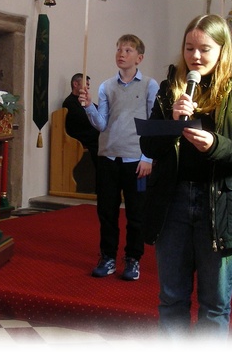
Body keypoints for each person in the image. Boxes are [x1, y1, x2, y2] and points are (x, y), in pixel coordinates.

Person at [140, 14, 232, 337]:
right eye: (189, 48)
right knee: (172, 298)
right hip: (174, 202)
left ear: (223, 50)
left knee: (214, 304)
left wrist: (216, 145)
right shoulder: (171, 87)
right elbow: (149, 145)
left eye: (204, 49)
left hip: (220, 204)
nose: (195, 56)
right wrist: (172, 123)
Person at [80, 35, 158, 281]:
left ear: (139, 58)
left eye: (128, 50)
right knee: (106, 212)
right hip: (108, 158)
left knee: (137, 213)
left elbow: (153, 123)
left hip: (137, 161)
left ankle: (133, 259)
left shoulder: (149, 85)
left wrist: (148, 158)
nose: (121, 54)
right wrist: (88, 106)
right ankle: (108, 257)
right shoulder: (106, 86)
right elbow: (101, 124)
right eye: (119, 49)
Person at [62, 73, 99, 169]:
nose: (88, 87)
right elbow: (85, 120)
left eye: (88, 85)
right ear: (75, 84)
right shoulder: (69, 102)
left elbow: (99, 111)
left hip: (91, 136)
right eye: (86, 84)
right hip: (80, 138)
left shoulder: (85, 101)